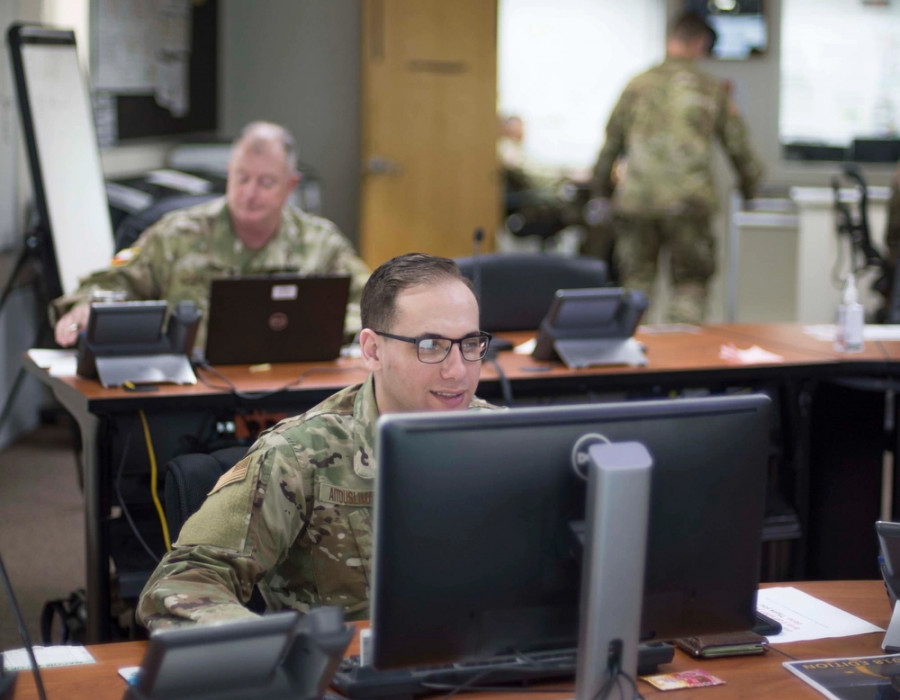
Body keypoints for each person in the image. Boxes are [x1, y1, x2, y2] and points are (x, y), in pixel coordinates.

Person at [136, 253, 500, 629]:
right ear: (373, 350)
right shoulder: (298, 457)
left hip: (493, 665)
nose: (458, 370)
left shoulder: (506, 443)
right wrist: (269, 651)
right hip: (343, 676)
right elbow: (180, 583)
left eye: (471, 345)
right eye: (430, 345)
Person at [50, 121, 370, 351]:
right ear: (229, 173)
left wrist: (324, 330)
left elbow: (375, 307)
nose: (250, 193)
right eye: (241, 178)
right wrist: (84, 306)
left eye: (266, 182)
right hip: (195, 391)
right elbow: (110, 283)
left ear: (290, 186)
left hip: (295, 395)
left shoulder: (320, 243)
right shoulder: (177, 235)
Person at [590, 11, 764, 324]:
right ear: (700, 43)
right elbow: (738, 147)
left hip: (637, 201)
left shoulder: (637, 85)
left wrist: (600, 193)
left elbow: (610, 145)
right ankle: (681, 361)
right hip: (689, 202)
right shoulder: (710, 88)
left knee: (636, 284)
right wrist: (752, 189)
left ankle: (632, 359)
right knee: (690, 284)